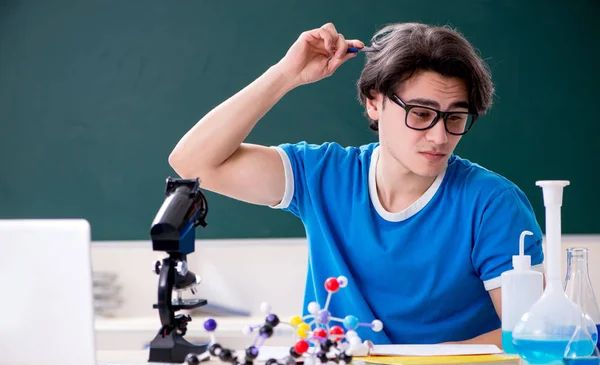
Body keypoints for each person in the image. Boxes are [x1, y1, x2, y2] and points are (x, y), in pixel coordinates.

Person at [168, 22, 545, 347]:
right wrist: (285, 75)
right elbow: (192, 162)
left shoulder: (493, 203)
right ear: (374, 103)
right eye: (421, 114)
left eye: (455, 118)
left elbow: (529, 332)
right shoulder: (322, 174)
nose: (439, 137)